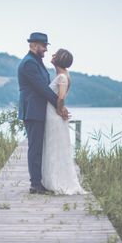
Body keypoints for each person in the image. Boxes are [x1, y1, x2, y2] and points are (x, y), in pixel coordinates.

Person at [17, 32, 68, 195]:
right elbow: (42, 88)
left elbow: (46, 86)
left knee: (39, 146)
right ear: (33, 45)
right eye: (43, 45)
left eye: (46, 45)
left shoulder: (37, 62)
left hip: (39, 110)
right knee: (35, 147)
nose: (46, 49)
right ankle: (35, 185)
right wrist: (59, 107)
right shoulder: (29, 64)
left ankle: (39, 182)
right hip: (33, 110)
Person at [41, 48, 87, 194]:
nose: (52, 55)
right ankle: (54, 179)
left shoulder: (62, 77)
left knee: (53, 147)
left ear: (59, 59)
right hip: (54, 114)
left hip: (54, 115)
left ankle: (56, 182)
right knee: (55, 147)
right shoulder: (64, 75)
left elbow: (61, 97)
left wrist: (60, 110)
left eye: (55, 54)